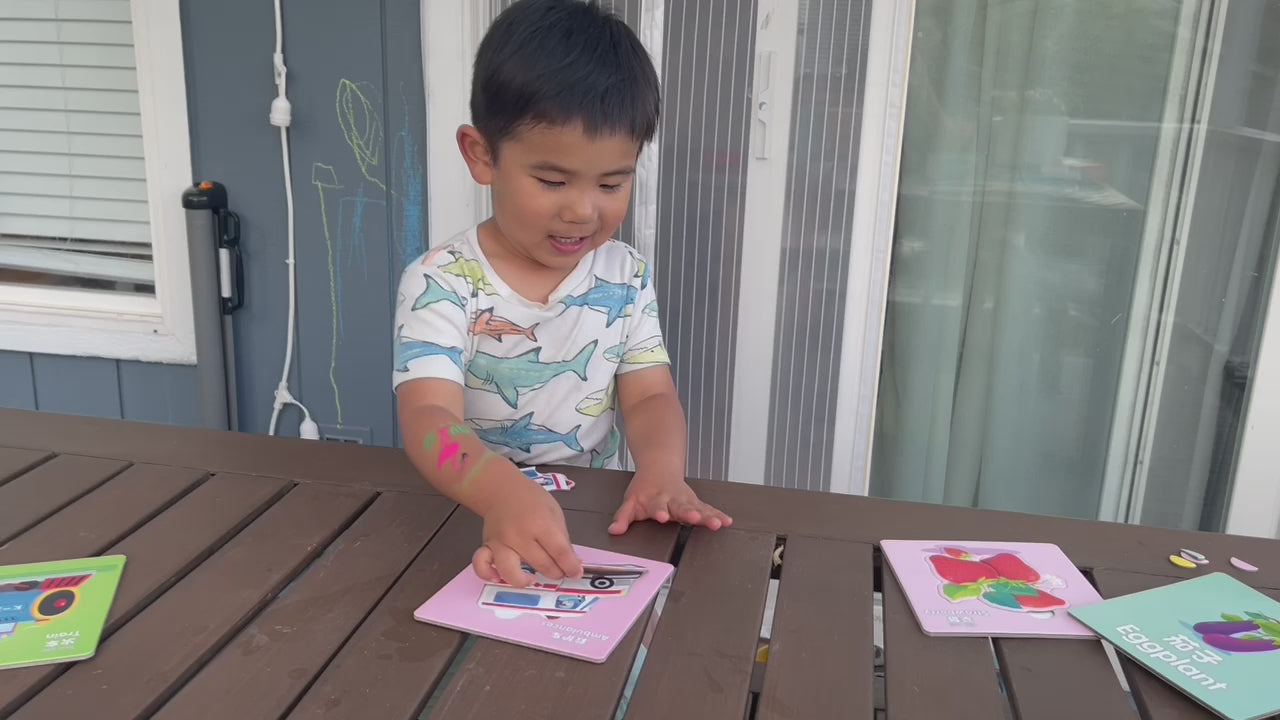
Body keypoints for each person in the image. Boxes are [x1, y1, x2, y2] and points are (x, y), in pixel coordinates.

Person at [393, 0, 731, 589]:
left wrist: (662, 472)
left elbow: (649, 395)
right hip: (465, 512)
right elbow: (427, 416)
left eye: (612, 182)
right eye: (552, 180)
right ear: (481, 155)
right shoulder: (441, 282)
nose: (582, 210)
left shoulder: (625, 276)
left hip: (595, 518)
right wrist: (502, 494)